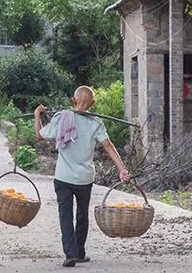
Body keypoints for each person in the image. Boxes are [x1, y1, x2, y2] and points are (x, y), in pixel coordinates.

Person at [35, 86, 130, 267]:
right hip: (85, 178)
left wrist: (37, 115)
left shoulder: (61, 118)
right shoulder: (96, 123)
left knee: (65, 214)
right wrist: (122, 169)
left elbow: (39, 137)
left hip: (63, 177)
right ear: (92, 103)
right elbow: (108, 145)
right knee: (82, 214)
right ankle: (79, 252)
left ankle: (70, 254)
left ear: (74, 100)